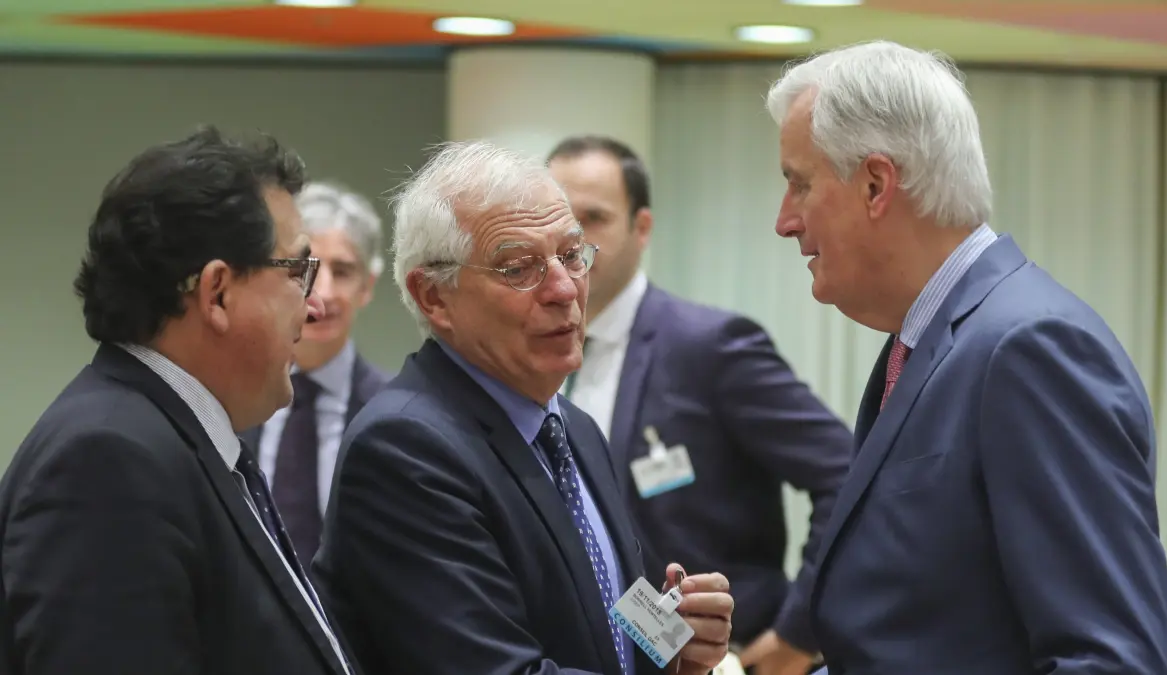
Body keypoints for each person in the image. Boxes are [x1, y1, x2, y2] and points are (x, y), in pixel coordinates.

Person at [767, 41, 1167, 674]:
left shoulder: (1030, 349)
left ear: (876, 184)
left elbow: (1113, 661)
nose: (785, 221)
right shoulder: (926, 342)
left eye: (799, 184)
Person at [312, 140, 734, 675]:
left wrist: (674, 644)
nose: (564, 289)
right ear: (434, 297)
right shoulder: (404, 448)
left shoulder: (572, 427)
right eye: (518, 268)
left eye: (572, 254)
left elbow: (611, 606)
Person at [0, 127, 357, 675]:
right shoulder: (109, 461)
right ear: (217, 293)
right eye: (297, 272)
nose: (312, 308)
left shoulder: (175, 437)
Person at [547, 135, 853, 674]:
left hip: (733, 656)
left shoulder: (709, 347)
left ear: (642, 228)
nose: (574, 241)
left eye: (593, 219)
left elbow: (846, 473)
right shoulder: (542, 355)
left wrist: (798, 632)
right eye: (559, 223)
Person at [241, 180, 390, 571]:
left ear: (367, 287)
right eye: (308, 270)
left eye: (342, 271)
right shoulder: (233, 401)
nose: (323, 292)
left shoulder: (394, 413)